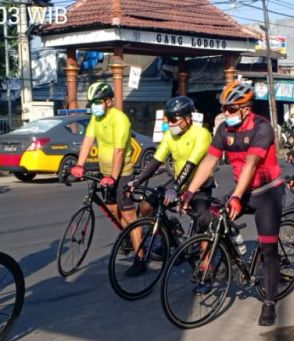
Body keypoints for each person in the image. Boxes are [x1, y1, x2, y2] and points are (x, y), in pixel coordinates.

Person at [184, 80, 283, 326]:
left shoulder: (262, 128)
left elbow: (251, 164)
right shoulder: (224, 130)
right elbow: (209, 161)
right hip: (243, 189)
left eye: (230, 109)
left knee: (269, 247)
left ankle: (270, 302)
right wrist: (190, 190)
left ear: (246, 109)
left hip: (268, 192)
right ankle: (236, 252)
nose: (225, 114)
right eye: (223, 109)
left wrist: (237, 196)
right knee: (211, 219)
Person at [124, 96, 213, 252]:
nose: (170, 124)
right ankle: (169, 233)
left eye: (173, 120)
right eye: (168, 120)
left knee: (202, 223)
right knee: (146, 207)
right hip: (178, 184)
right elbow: (157, 160)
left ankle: (207, 264)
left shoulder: (202, 134)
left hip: (198, 186)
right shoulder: (169, 135)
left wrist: (176, 187)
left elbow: (190, 165)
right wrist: (137, 181)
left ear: (187, 118)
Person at [70, 82, 142, 259]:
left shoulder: (120, 119)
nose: (94, 106)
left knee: (128, 214)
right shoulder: (97, 119)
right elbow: (88, 140)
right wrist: (79, 164)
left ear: (109, 101)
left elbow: (119, 151)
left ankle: (140, 256)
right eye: (92, 103)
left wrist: (113, 177)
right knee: (111, 208)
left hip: (122, 172)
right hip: (105, 172)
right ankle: (128, 235)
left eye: (97, 101)